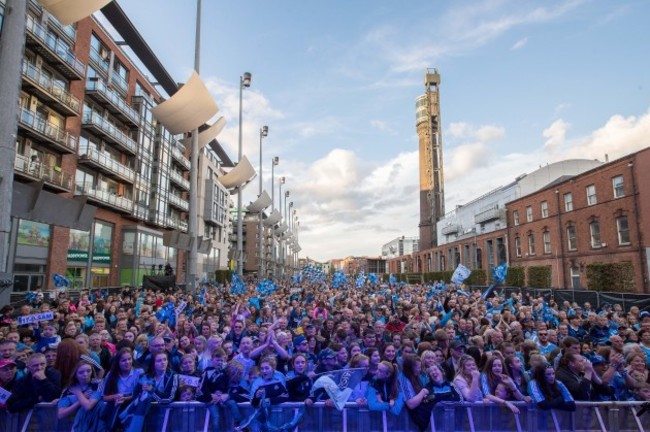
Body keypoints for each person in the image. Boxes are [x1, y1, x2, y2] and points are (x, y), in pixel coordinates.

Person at [99, 347, 144, 429]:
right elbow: (104, 397)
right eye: (123, 360)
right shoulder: (111, 374)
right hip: (115, 408)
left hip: (133, 408)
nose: (127, 362)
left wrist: (126, 398)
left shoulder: (139, 372)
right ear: (118, 362)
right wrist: (116, 396)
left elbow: (142, 394)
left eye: (129, 359)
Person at [57, 360, 103, 432]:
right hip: (74, 423)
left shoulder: (97, 384)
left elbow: (88, 406)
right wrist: (80, 399)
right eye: (81, 372)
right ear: (75, 374)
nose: (85, 374)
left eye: (88, 371)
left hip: (97, 422)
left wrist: (78, 393)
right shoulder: (68, 390)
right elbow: (60, 414)